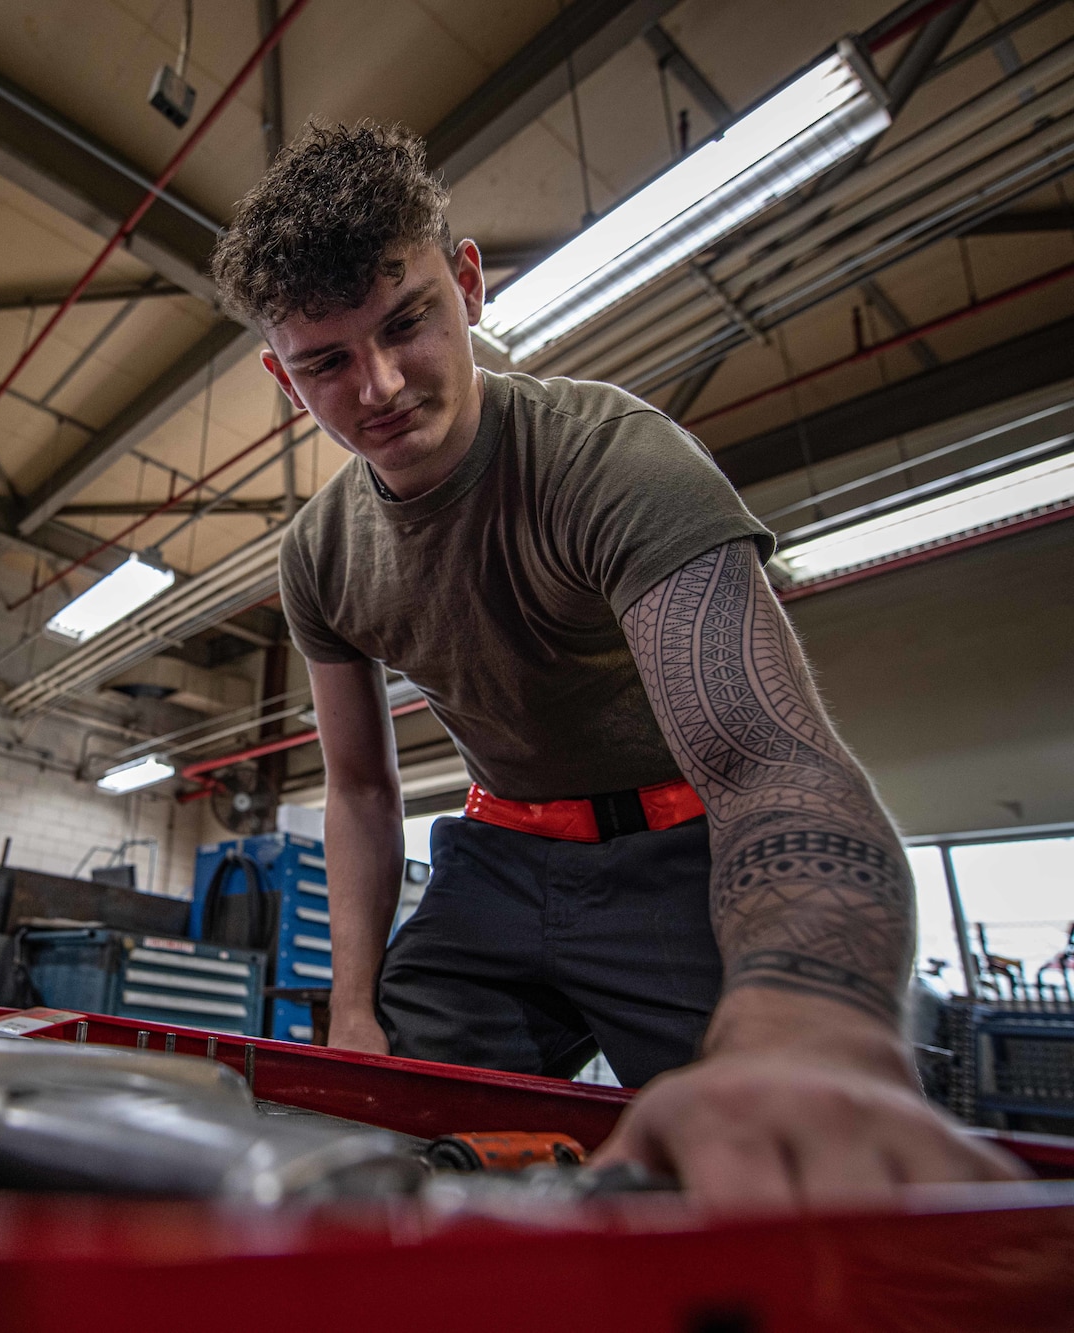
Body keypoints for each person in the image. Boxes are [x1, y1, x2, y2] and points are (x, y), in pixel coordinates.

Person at [208, 122, 1018, 1206]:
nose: (382, 383)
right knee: (389, 1140)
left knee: (774, 1171)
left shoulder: (611, 462)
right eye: (326, 363)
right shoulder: (318, 554)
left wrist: (807, 1014)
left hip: (683, 855)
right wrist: (351, 1003)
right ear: (280, 373)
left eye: (407, 323)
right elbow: (357, 787)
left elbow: (762, 758)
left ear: (466, 283)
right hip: (494, 862)